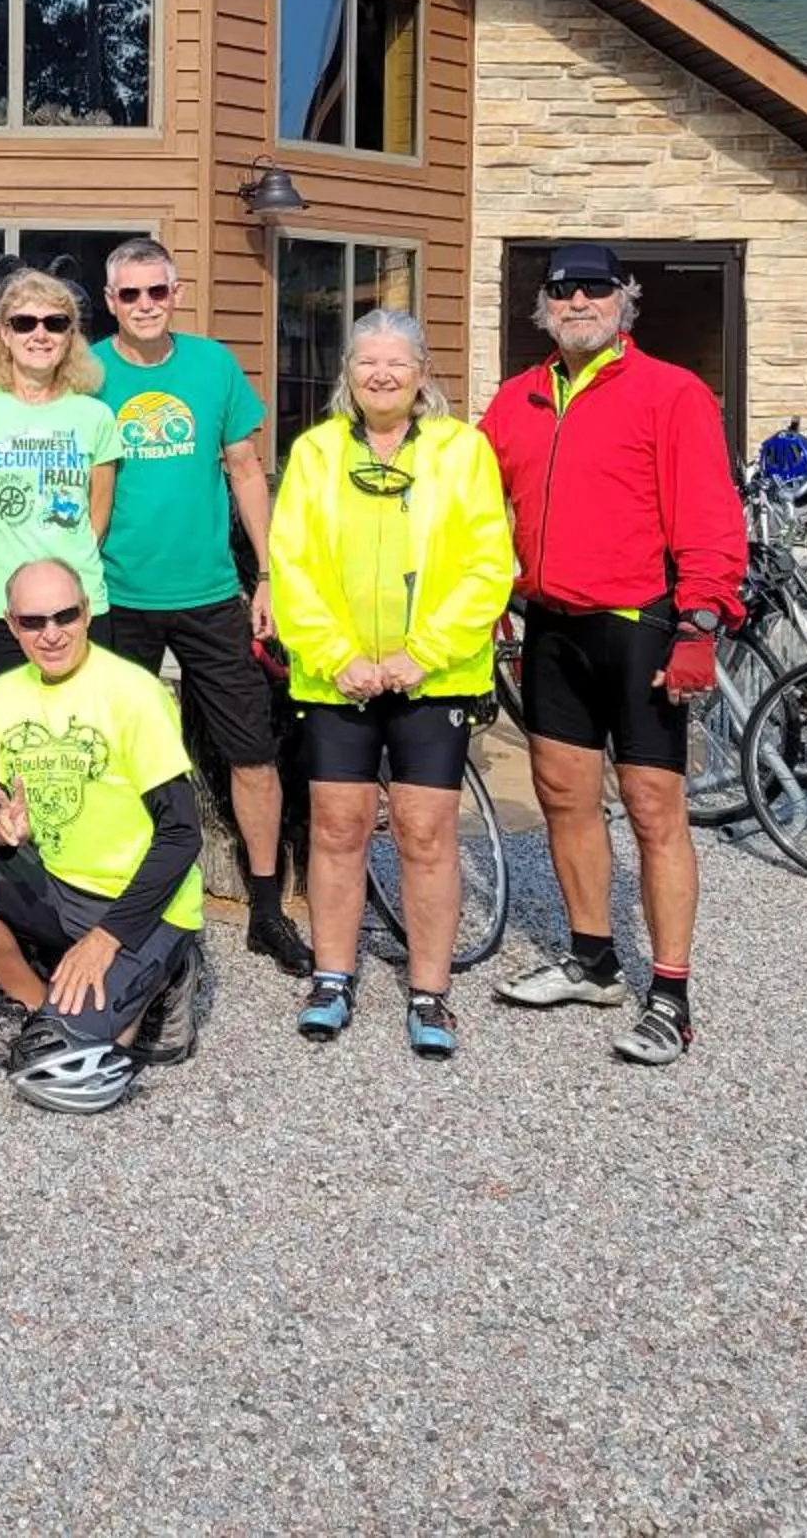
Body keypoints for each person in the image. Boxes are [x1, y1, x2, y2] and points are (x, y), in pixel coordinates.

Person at [477, 242, 745, 1068]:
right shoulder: (515, 398)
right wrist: (484, 597)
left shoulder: (673, 392)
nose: (579, 302)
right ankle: (592, 960)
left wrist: (702, 621)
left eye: (596, 289)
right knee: (565, 795)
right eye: (564, 291)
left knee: (655, 809)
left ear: (625, 300)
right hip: (552, 624)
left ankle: (670, 993)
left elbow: (708, 512)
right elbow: (481, 509)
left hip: (643, 624)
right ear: (544, 306)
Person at [266, 310, 515, 1057]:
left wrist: (423, 654)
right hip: (335, 675)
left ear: (422, 374)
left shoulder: (462, 451)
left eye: (397, 364)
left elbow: (486, 566)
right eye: (367, 362)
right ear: (348, 372)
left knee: (425, 832)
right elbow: (294, 564)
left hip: (433, 677)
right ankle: (333, 977)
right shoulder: (315, 452)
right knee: (339, 828)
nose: (381, 375)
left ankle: (430, 992)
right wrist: (336, 652)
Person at [90, 236, 310, 978]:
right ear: (110, 299)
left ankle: (267, 907)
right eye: (130, 295)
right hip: (118, 591)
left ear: (176, 293)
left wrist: (269, 577)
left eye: (157, 292)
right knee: (119, 756)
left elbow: (247, 470)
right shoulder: (87, 370)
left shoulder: (213, 365)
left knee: (252, 752)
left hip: (213, 591)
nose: (145, 306)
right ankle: (122, 897)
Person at [0, 562, 203, 1114]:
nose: (51, 633)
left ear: (87, 614)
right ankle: (36, 1005)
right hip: (59, 884)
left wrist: (106, 939)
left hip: (141, 902)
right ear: (13, 625)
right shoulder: (3, 695)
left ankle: (171, 970)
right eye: (33, 621)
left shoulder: (133, 693)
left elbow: (184, 835)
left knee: (80, 1060)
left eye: (65, 616)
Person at [0, 265, 119, 704]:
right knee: (6, 736)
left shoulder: (94, 416)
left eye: (55, 323)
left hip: (80, 606)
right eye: (24, 323)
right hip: (2, 606)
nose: (40, 334)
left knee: (84, 734)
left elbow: (98, 515)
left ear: (71, 336)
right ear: (3, 336)